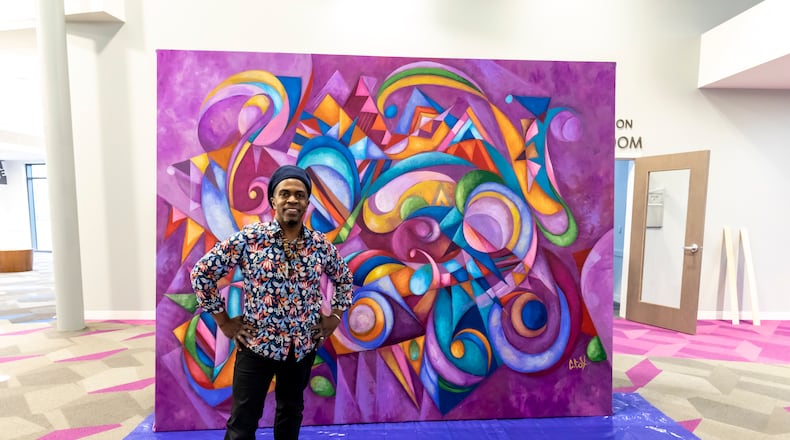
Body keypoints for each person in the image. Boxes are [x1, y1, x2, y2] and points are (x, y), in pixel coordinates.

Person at [190, 164, 354, 440]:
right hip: (257, 345)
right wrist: (225, 322)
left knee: (290, 414)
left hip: (301, 347)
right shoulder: (249, 239)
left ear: (307, 202)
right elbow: (202, 273)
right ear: (273, 200)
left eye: (299, 195)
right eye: (285, 193)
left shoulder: (319, 245)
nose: (292, 199)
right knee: (243, 422)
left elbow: (344, 278)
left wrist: (334, 317)